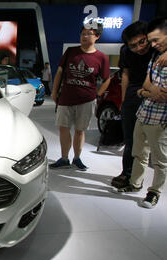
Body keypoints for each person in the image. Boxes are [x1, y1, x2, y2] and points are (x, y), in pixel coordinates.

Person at [114, 17, 167, 209]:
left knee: (160, 157)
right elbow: (130, 77)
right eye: (133, 45)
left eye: (143, 42)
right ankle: (131, 178)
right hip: (140, 101)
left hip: (159, 112)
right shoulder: (133, 53)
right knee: (135, 145)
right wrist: (129, 97)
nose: (140, 48)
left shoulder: (158, 50)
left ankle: (154, 191)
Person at [50, 23, 110, 171]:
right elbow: (59, 72)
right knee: (63, 128)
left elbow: (107, 79)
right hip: (66, 98)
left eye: (89, 33)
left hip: (87, 100)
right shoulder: (71, 52)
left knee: (80, 130)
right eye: (83, 33)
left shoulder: (101, 57)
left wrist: (97, 94)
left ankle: (77, 158)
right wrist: (54, 91)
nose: (84, 36)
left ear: (97, 36)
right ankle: (64, 158)